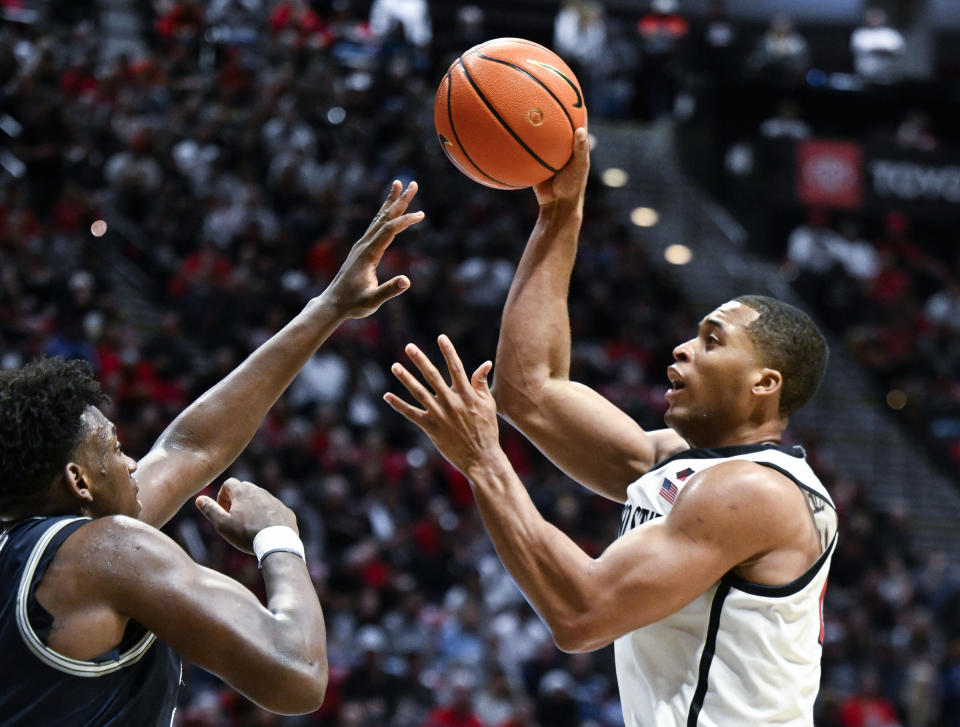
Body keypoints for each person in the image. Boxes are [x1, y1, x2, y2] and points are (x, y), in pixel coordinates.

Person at [384, 130, 837, 726]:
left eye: (711, 341)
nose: (681, 350)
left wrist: (484, 461)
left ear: (764, 384)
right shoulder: (678, 466)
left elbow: (581, 613)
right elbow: (529, 390)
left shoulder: (753, 493)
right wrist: (559, 211)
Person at [0, 181, 424, 724]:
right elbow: (296, 671)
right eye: (114, 449)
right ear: (79, 482)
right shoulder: (106, 551)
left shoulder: (40, 550)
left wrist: (330, 306)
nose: (133, 463)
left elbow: (190, 447)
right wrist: (278, 538)